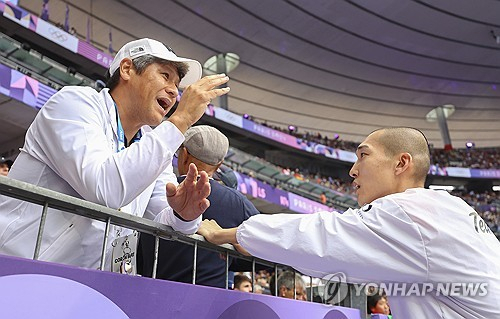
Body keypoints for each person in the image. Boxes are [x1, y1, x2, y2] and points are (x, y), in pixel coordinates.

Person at [198, 127, 500, 318]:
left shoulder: (408, 212)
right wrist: (259, 245)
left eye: (363, 156)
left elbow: (324, 236)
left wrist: (229, 232)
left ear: (401, 163)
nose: (353, 171)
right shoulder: (452, 207)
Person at [0, 38, 230, 270]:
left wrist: (184, 214)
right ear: (127, 69)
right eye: (165, 75)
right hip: (18, 270)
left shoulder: (151, 142)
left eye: (177, 84)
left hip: (85, 287)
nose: (173, 91)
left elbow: (164, 218)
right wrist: (181, 120)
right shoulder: (74, 104)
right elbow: (104, 188)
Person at [138, 125, 259, 287]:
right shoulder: (238, 202)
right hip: (209, 301)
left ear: (184, 154)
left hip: (152, 290)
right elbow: (266, 250)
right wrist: (229, 251)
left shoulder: (161, 189)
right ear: (219, 165)